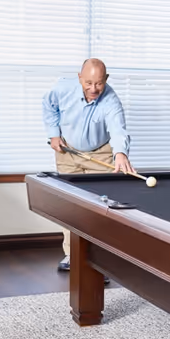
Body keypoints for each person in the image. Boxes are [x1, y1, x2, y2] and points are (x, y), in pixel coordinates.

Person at [43, 58, 134, 272]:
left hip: (101, 154)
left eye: (99, 83)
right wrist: (54, 135)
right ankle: (71, 255)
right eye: (88, 83)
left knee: (100, 208)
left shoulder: (111, 101)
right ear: (79, 78)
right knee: (70, 205)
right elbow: (48, 107)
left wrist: (120, 153)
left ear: (106, 80)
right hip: (68, 152)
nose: (94, 89)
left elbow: (118, 130)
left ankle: (100, 261)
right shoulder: (62, 89)